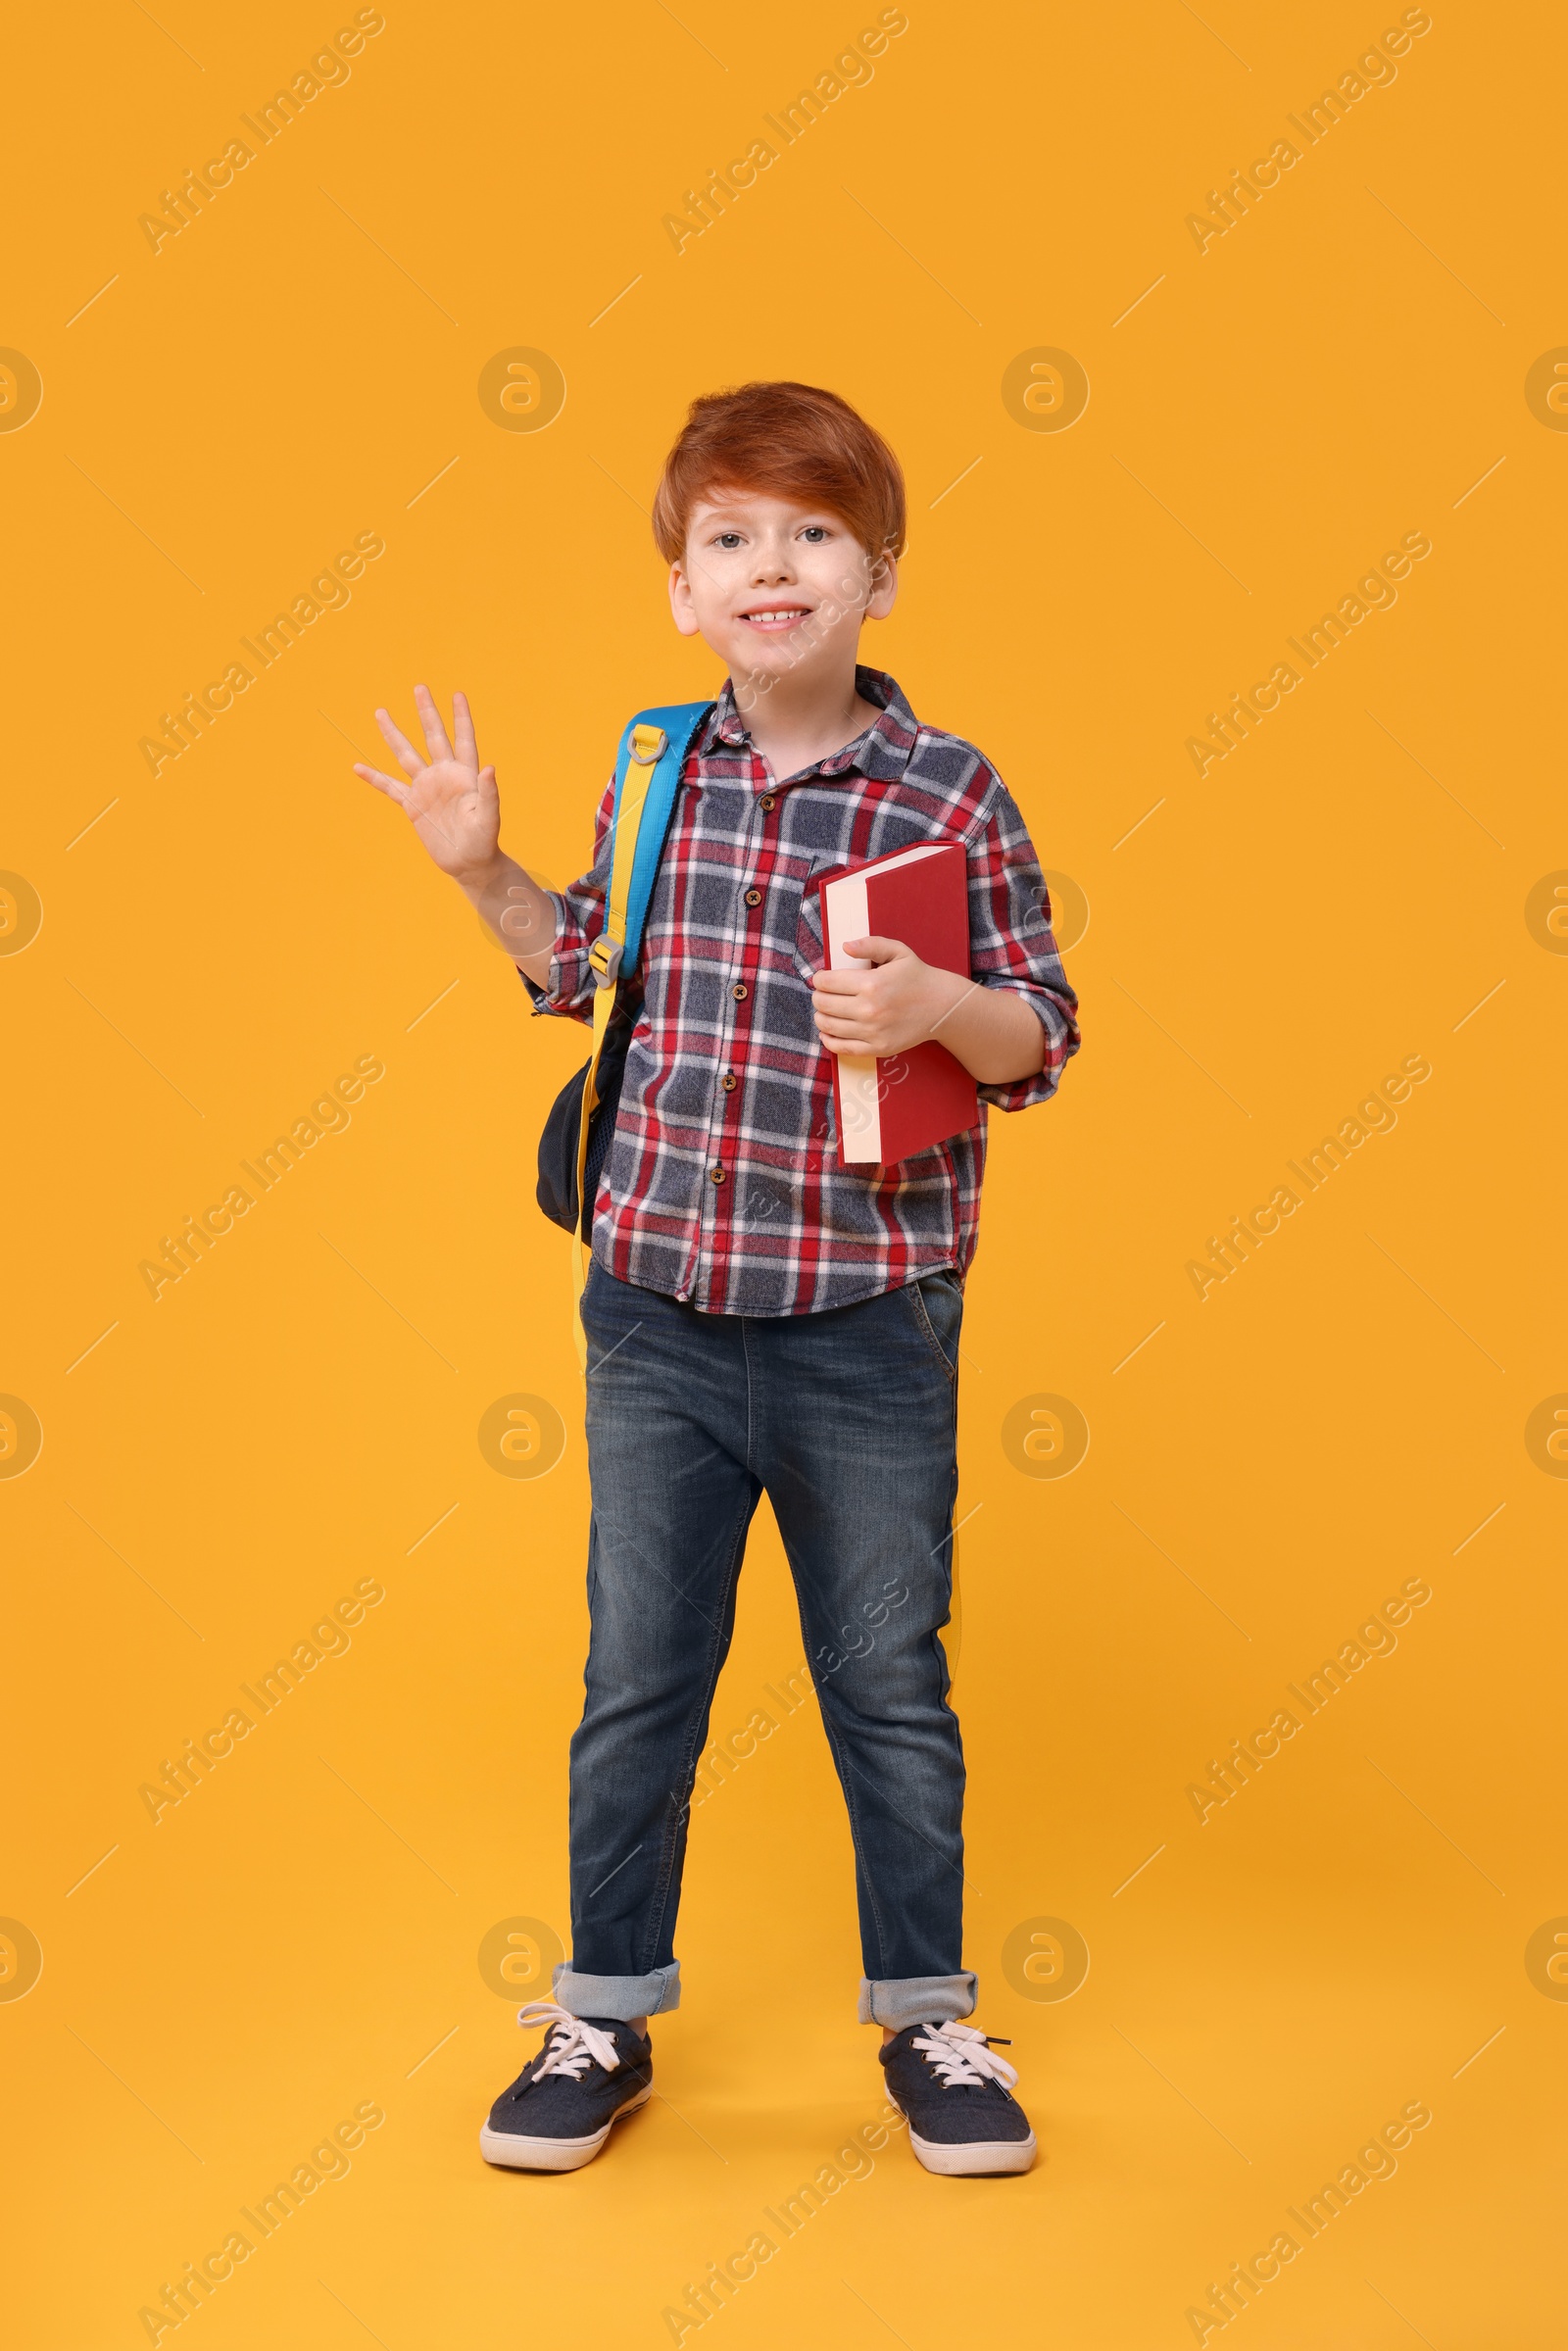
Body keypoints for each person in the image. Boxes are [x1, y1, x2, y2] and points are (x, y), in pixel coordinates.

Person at [358, 379, 1080, 2177]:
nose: (775, 565)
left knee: (888, 1682)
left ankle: (932, 2028)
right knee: (640, 1678)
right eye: (733, 537)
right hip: (659, 1320)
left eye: (816, 531)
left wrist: (938, 1010)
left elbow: (1042, 1039)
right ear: (685, 590)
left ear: (878, 578)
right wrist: (480, 875)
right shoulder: (655, 767)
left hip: (867, 1327)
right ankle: (604, 2014)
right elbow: (581, 967)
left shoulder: (950, 788)